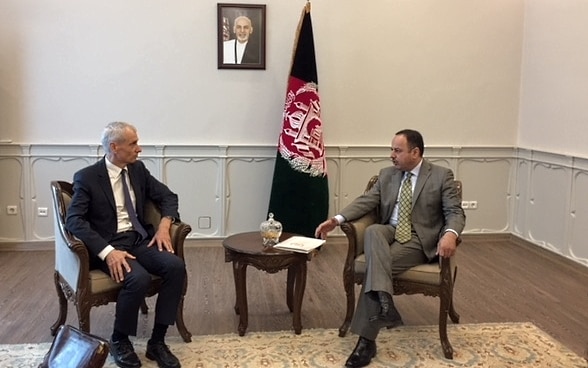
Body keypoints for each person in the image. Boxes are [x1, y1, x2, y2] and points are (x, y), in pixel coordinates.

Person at [315, 129, 465, 368]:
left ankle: (366, 342)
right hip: (390, 230)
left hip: (418, 238)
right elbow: (366, 202)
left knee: (375, 266)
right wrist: (336, 220)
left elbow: (455, 212)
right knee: (374, 230)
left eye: (397, 150)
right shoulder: (387, 175)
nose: (391, 155)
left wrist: (450, 234)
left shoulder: (440, 176)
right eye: (391, 150)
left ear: (415, 152)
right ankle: (386, 304)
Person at [66, 121, 186, 368]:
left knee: (175, 266)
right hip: (108, 244)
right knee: (138, 278)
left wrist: (164, 226)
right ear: (114, 146)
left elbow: (168, 197)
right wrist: (108, 252)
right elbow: (74, 220)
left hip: (139, 239)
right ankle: (120, 339)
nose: (139, 149)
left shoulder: (138, 170)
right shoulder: (87, 178)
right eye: (133, 144)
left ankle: (157, 342)